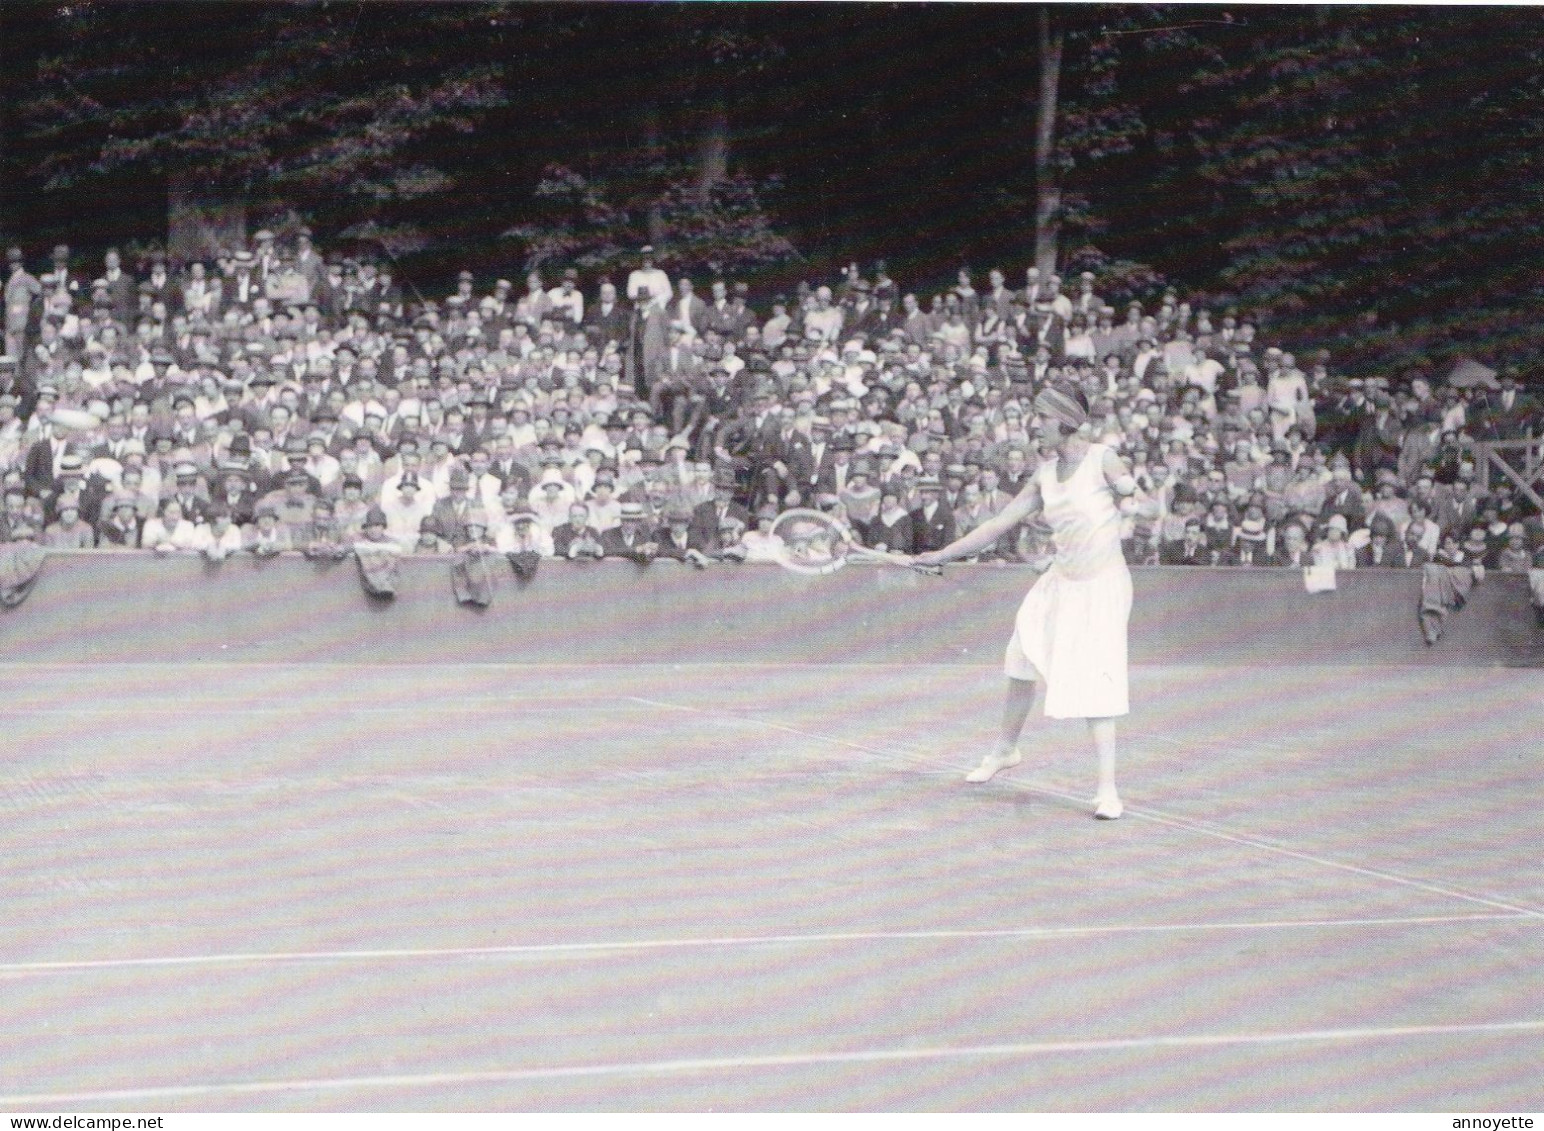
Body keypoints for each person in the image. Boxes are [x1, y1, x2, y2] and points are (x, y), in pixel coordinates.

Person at [914, 382, 1136, 820]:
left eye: (1042, 419)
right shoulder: (1044, 474)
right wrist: (942, 554)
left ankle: (1107, 790)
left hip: (1102, 587)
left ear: (1066, 422)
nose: (1036, 428)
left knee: (1097, 681)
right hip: (1061, 581)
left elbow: (1132, 498)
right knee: (1021, 657)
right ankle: (1005, 749)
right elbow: (998, 523)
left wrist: (1133, 498)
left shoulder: (1102, 458)